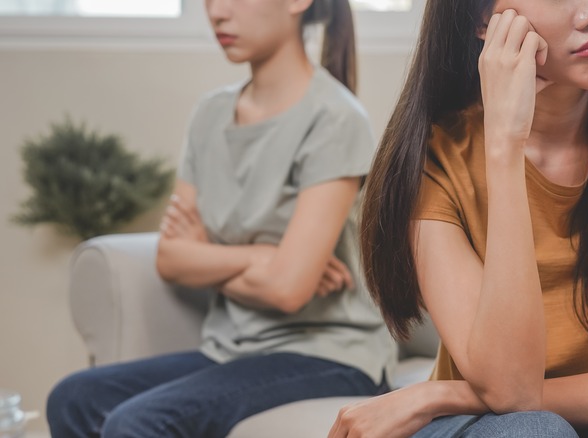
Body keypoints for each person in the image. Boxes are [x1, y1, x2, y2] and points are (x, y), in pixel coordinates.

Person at [329, 0, 588, 437]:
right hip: (488, 425)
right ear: (484, 19)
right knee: (533, 430)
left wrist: (438, 394)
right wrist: (504, 144)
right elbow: (510, 390)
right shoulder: (433, 156)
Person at [47, 0, 396, 436]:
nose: (217, 12)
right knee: (74, 397)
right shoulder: (210, 114)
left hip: (329, 353)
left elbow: (288, 290)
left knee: (136, 422)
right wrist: (263, 256)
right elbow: (171, 259)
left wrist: (210, 256)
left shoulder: (336, 119)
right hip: (232, 348)